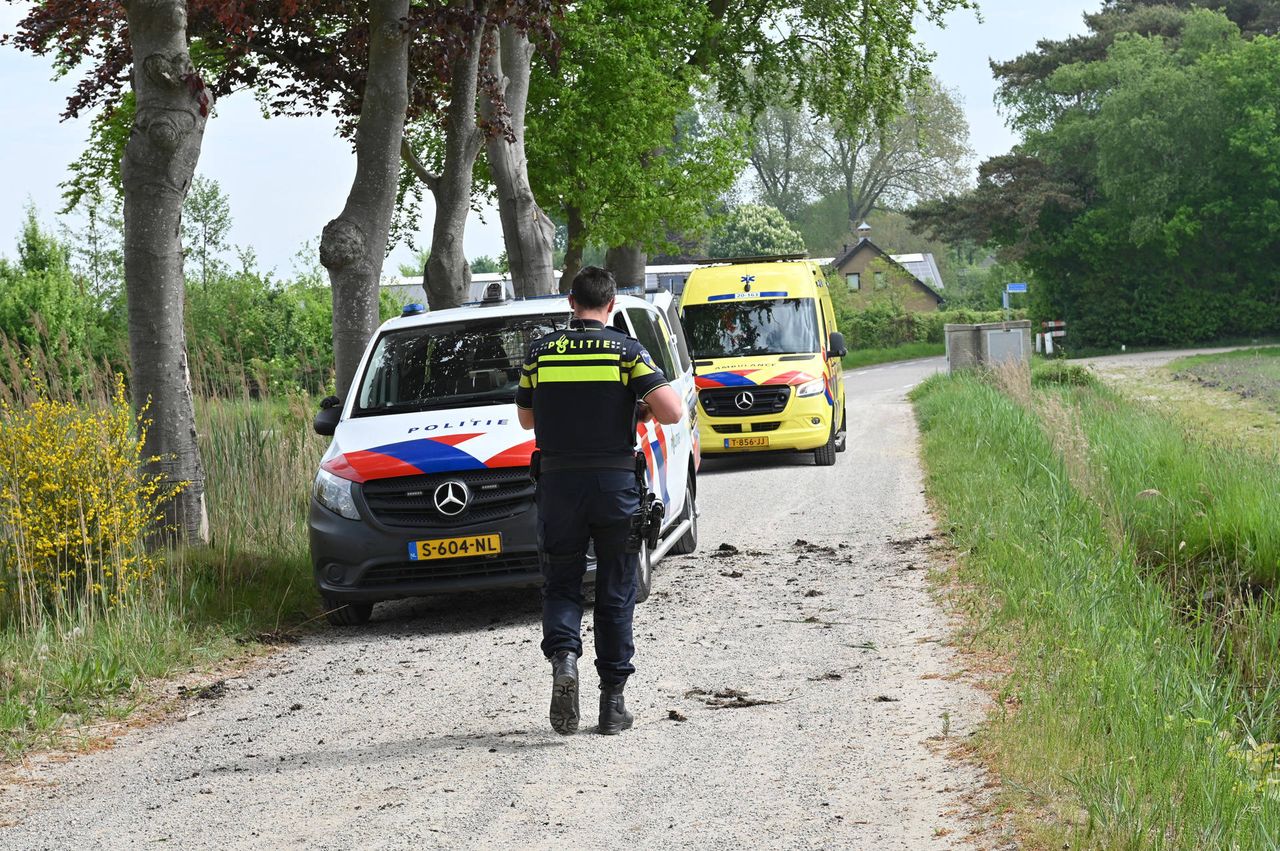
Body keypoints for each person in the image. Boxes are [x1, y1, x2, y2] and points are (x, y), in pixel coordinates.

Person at [515, 266, 684, 735]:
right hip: (614, 487)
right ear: (611, 306)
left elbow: (527, 420)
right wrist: (638, 404)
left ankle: (565, 657)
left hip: (559, 485)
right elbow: (670, 411)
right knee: (615, 589)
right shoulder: (627, 351)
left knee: (562, 584)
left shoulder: (541, 352)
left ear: (571, 303)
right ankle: (612, 704)